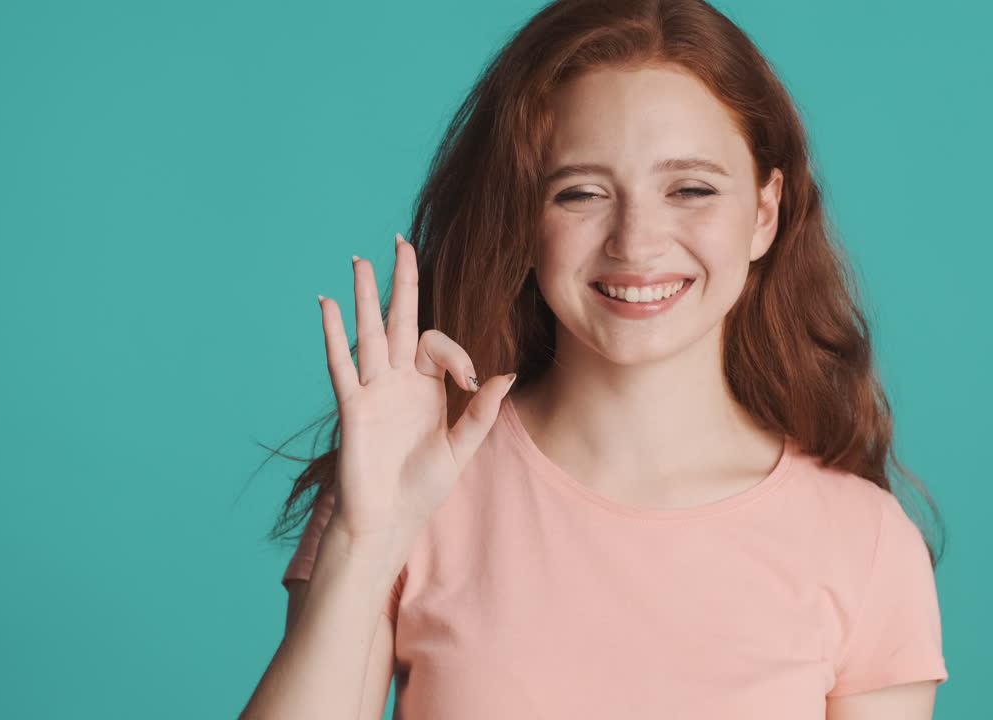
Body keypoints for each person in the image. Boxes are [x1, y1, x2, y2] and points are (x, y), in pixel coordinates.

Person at [240, 0, 948, 718]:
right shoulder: (406, 485)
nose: (636, 243)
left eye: (691, 189)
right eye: (580, 192)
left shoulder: (864, 542)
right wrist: (364, 543)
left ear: (765, 212)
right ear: (525, 216)